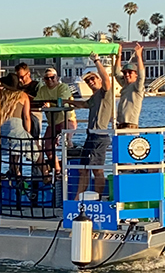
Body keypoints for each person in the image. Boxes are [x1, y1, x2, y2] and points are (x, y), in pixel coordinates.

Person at [66, 53, 113, 199]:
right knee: (83, 169)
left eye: (92, 79)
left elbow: (106, 79)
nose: (90, 82)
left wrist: (97, 61)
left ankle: (97, 198)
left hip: (100, 136)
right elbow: (84, 104)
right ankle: (78, 198)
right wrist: (68, 102)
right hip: (90, 135)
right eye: (88, 81)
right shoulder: (94, 97)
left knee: (97, 170)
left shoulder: (105, 93)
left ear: (98, 79)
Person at [0, 74, 39, 177]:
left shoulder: (0, 95)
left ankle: (12, 172)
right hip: (16, 131)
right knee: (36, 150)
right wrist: (27, 132)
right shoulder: (23, 95)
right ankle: (45, 176)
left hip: (2, 132)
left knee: (8, 150)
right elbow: (26, 117)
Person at [35, 68, 75, 174]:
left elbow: (61, 101)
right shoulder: (43, 89)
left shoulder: (63, 87)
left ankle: (70, 168)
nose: (50, 80)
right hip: (52, 122)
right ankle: (57, 169)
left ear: (57, 77)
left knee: (66, 142)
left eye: (52, 77)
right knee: (47, 146)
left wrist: (48, 104)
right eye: (47, 78)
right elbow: (37, 102)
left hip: (67, 119)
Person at [116, 42, 146, 129]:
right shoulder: (125, 85)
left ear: (135, 74)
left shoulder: (137, 87)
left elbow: (141, 75)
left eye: (130, 72)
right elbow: (117, 73)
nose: (127, 74)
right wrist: (119, 55)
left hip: (130, 126)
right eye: (125, 73)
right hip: (120, 126)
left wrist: (139, 56)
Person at [15, 62, 42, 138]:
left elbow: (40, 100)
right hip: (19, 115)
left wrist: (25, 96)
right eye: (18, 77)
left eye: (22, 77)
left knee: (34, 136)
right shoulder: (16, 86)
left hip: (34, 113)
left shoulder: (37, 85)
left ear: (28, 74)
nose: (20, 80)